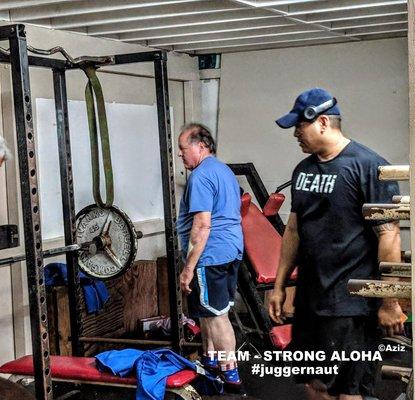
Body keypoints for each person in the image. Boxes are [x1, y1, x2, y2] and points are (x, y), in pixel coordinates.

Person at [268, 88, 404, 400]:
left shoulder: (369, 166)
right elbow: (293, 231)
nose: (295, 135)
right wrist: (279, 286)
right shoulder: (302, 171)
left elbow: (389, 234)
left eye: (299, 127)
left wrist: (389, 301)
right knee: (313, 383)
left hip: (349, 304)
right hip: (310, 300)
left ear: (323, 122)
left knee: (348, 390)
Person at [176, 123, 244, 393]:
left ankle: (231, 374)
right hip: (230, 251)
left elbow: (202, 225)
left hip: (211, 254)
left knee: (218, 317)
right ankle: (211, 362)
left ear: (200, 147)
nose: (180, 155)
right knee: (209, 312)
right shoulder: (224, 170)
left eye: (183, 149)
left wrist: (188, 267)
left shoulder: (201, 176)